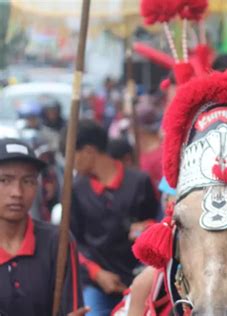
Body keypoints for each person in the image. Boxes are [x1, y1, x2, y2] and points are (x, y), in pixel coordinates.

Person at [67, 119, 159, 316]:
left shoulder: (139, 181)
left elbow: (158, 225)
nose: (69, 163)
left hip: (139, 278)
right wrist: (97, 274)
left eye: (71, 155)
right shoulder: (75, 190)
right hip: (97, 282)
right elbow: (72, 242)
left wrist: (147, 228)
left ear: (89, 152)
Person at [0, 138, 87, 316]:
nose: (17, 192)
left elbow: (74, 310)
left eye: (27, 181)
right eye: (4, 180)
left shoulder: (58, 241)